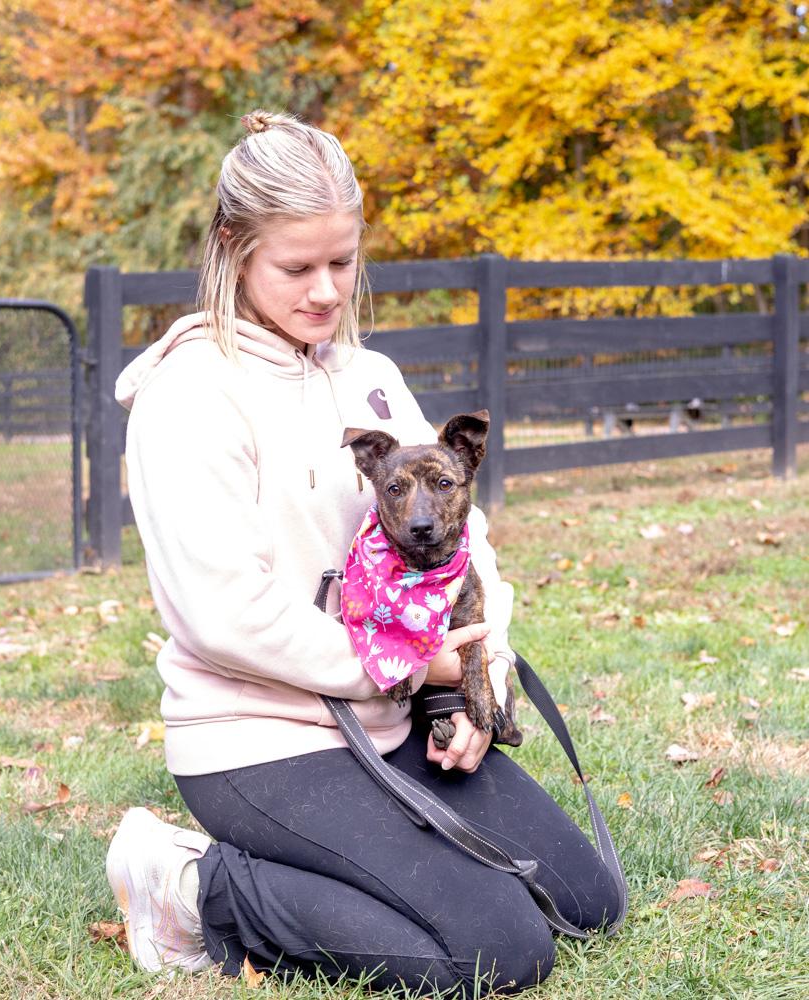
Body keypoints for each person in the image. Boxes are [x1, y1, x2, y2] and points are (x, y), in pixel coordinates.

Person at [107, 109, 620, 996]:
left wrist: (470, 684)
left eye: (342, 262)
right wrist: (408, 670)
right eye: (296, 267)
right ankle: (193, 884)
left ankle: (370, 854)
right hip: (256, 740)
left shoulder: (369, 377)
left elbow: (466, 542)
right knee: (499, 955)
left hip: (395, 715)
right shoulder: (189, 398)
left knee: (587, 902)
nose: (326, 291)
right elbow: (227, 616)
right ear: (232, 247)